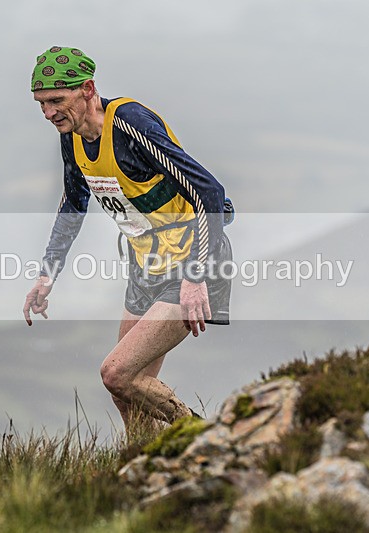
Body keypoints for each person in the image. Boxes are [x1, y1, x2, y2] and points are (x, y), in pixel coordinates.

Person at [23, 46, 232, 433]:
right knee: (124, 393)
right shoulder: (72, 137)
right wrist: (46, 275)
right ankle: (147, 468)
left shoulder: (129, 124)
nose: (48, 113)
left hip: (193, 260)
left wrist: (195, 276)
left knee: (116, 372)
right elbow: (73, 204)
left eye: (56, 100)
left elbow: (211, 193)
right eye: (41, 103)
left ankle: (204, 437)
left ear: (87, 89)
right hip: (145, 267)